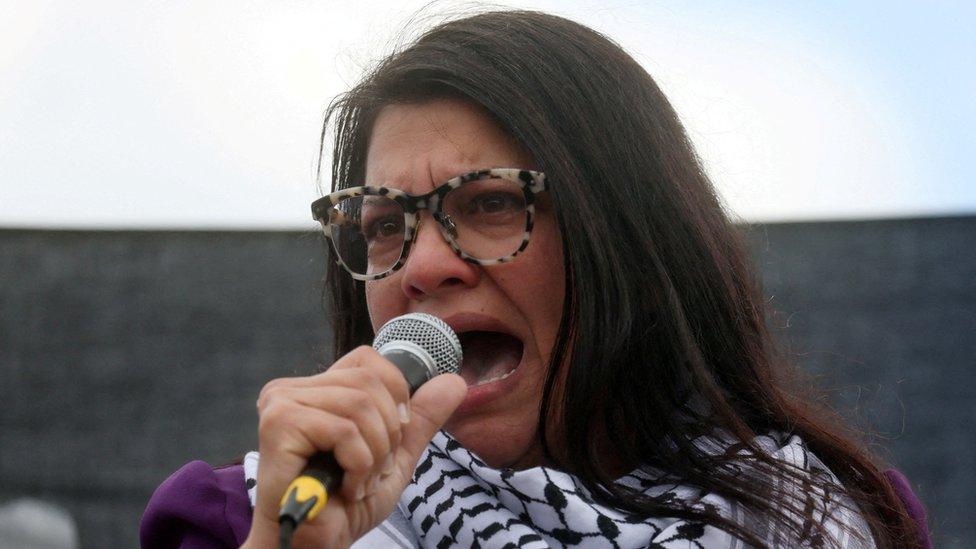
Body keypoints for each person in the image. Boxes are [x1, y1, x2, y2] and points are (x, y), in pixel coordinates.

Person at [141, 9, 930, 548]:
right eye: (383, 225)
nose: (419, 267)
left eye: (489, 203)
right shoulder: (234, 517)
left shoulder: (843, 519)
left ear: (633, 236)